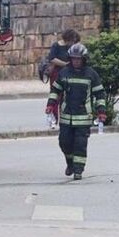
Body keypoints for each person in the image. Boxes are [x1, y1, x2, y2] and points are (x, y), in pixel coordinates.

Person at [45, 43, 105, 180]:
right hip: (66, 117)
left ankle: (78, 170)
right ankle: (70, 163)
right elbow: (56, 90)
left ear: (84, 59)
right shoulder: (64, 72)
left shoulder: (91, 74)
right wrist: (50, 104)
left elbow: (100, 94)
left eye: (78, 59)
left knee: (80, 144)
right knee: (64, 142)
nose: (76, 61)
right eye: (73, 58)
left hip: (84, 117)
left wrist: (101, 111)